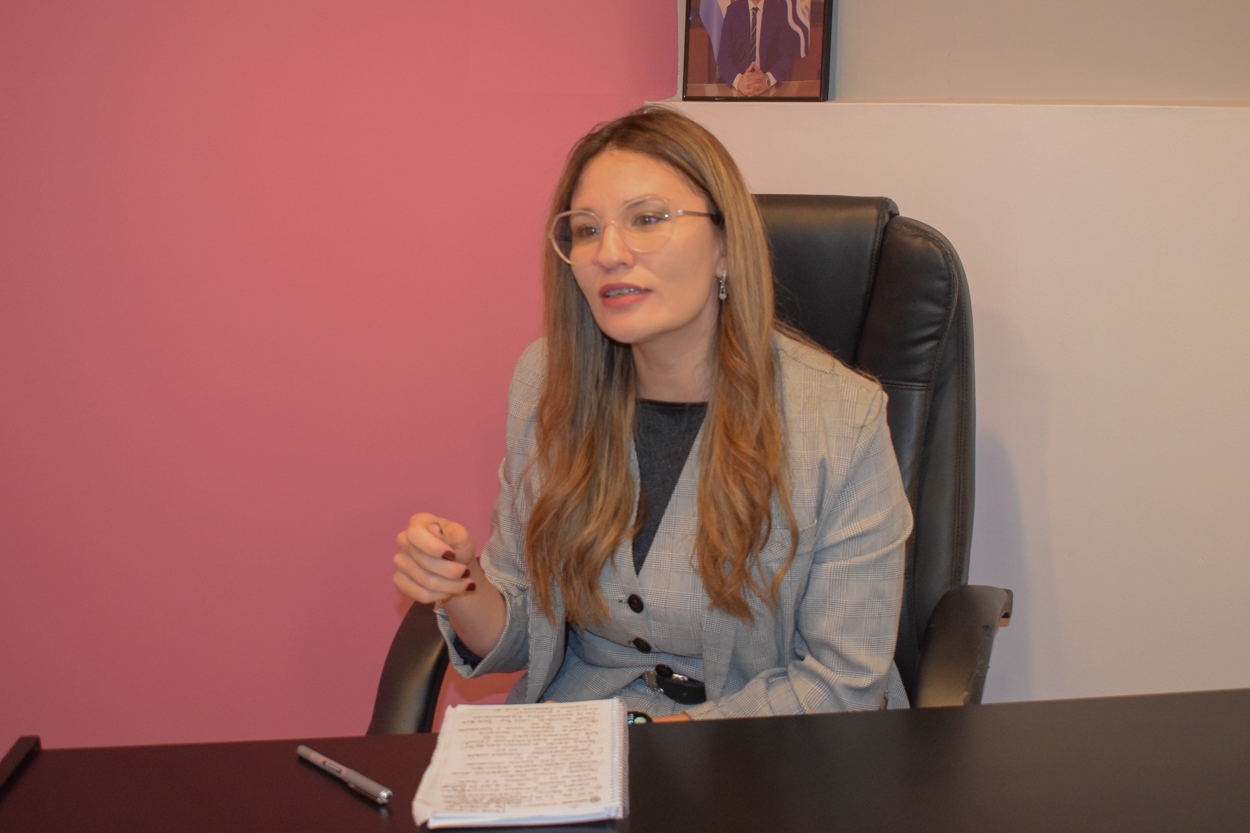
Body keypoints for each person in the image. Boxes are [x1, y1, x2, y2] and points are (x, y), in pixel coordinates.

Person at [393, 106, 912, 721]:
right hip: (581, 740)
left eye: (646, 219)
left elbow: (843, 686)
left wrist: (660, 746)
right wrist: (460, 582)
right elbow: (523, 633)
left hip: (761, 748)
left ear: (725, 247)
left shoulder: (841, 419)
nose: (609, 253)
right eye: (586, 230)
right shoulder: (547, 382)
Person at [715, 0, 803, 96]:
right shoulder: (733, 10)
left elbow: (786, 56)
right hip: (738, 89)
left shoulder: (780, 9)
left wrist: (767, 80)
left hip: (768, 89)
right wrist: (739, 81)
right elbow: (723, 57)